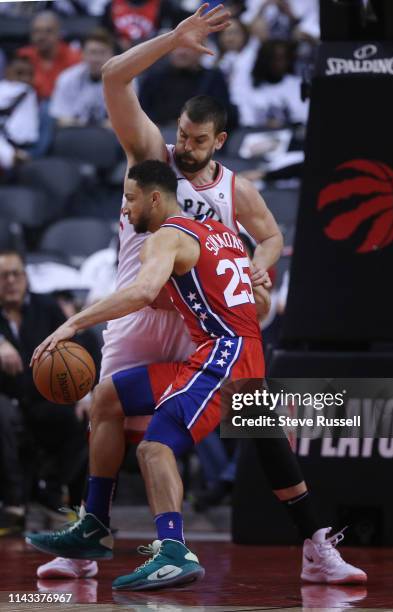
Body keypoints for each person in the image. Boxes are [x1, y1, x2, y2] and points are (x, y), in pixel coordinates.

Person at [29, 4, 365, 586]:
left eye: (197, 139)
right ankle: (91, 541)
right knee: (107, 408)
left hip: (199, 323)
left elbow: (272, 237)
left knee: (256, 423)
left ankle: (308, 542)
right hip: (140, 308)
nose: (185, 146)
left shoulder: (236, 188)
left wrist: (261, 268)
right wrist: (173, 38)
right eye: (181, 134)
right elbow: (112, 76)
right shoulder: (152, 160)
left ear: (220, 141)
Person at [28, 159, 266, 590]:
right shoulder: (219, 232)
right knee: (106, 397)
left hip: (226, 357)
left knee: (154, 448)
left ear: (155, 198)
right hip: (227, 353)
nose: (125, 209)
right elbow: (191, 297)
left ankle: (174, 551)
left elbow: (140, 292)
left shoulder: (168, 236)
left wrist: (73, 323)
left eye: (131, 199)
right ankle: (93, 525)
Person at [0, 250, 88, 531]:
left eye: (16, 274)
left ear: (26, 277)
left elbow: (75, 350)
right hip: (6, 398)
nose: (10, 281)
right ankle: (15, 502)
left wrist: (84, 393)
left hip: (42, 396)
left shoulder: (46, 307)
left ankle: (51, 493)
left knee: (86, 417)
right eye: (3, 276)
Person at [49, 29, 114, 127]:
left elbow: (127, 122)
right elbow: (61, 118)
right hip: (76, 135)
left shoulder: (125, 81)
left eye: (102, 53)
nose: (96, 59)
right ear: (83, 54)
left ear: (111, 55)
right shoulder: (67, 78)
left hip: (110, 137)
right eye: (92, 52)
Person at [18, 11, 81, 100]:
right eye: (37, 31)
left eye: (48, 31)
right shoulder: (23, 56)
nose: (41, 36)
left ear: (59, 33)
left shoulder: (74, 57)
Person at [0, 55, 38, 172]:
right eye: (20, 73)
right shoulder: (4, 86)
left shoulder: (27, 91)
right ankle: (11, 156)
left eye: (29, 75)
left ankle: (12, 157)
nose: (25, 78)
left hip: (19, 142)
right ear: (7, 72)